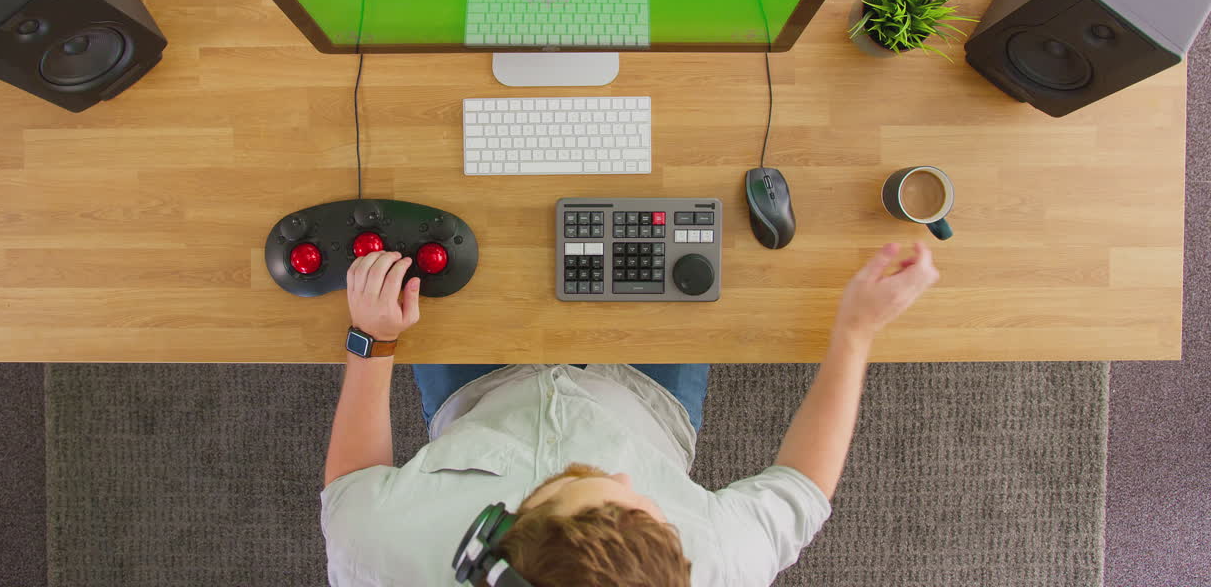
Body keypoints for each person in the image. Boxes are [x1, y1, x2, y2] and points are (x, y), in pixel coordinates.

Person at [322, 241, 940, 586]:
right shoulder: (722, 559)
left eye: (576, 481)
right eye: (650, 505)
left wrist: (372, 340)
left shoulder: (378, 553)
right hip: (648, 394)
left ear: (491, 538)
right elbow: (804, 488)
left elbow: (352, 482)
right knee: (683, 208)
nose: (622, 477)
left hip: (482, 392)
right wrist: (856, 333)